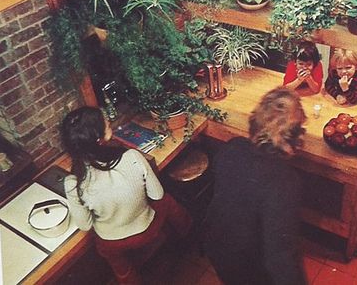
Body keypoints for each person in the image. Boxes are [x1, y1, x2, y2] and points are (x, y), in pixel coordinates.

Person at [61, 107, 192, 285]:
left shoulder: (72, 183)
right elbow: (158, 194)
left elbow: (85, 225)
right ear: (99, 138)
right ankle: (188, 232)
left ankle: (127, 278)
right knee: (167, 200)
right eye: (105, 122)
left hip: (112, 243)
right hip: (147, 229)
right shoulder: (132, 157)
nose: (109, 122)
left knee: (118, 265)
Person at [205, 87, 307, 285]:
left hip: (217, 246)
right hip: (246, 263)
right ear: (292, 141)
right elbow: (279, 257)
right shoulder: (285, 182)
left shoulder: (232, 146)